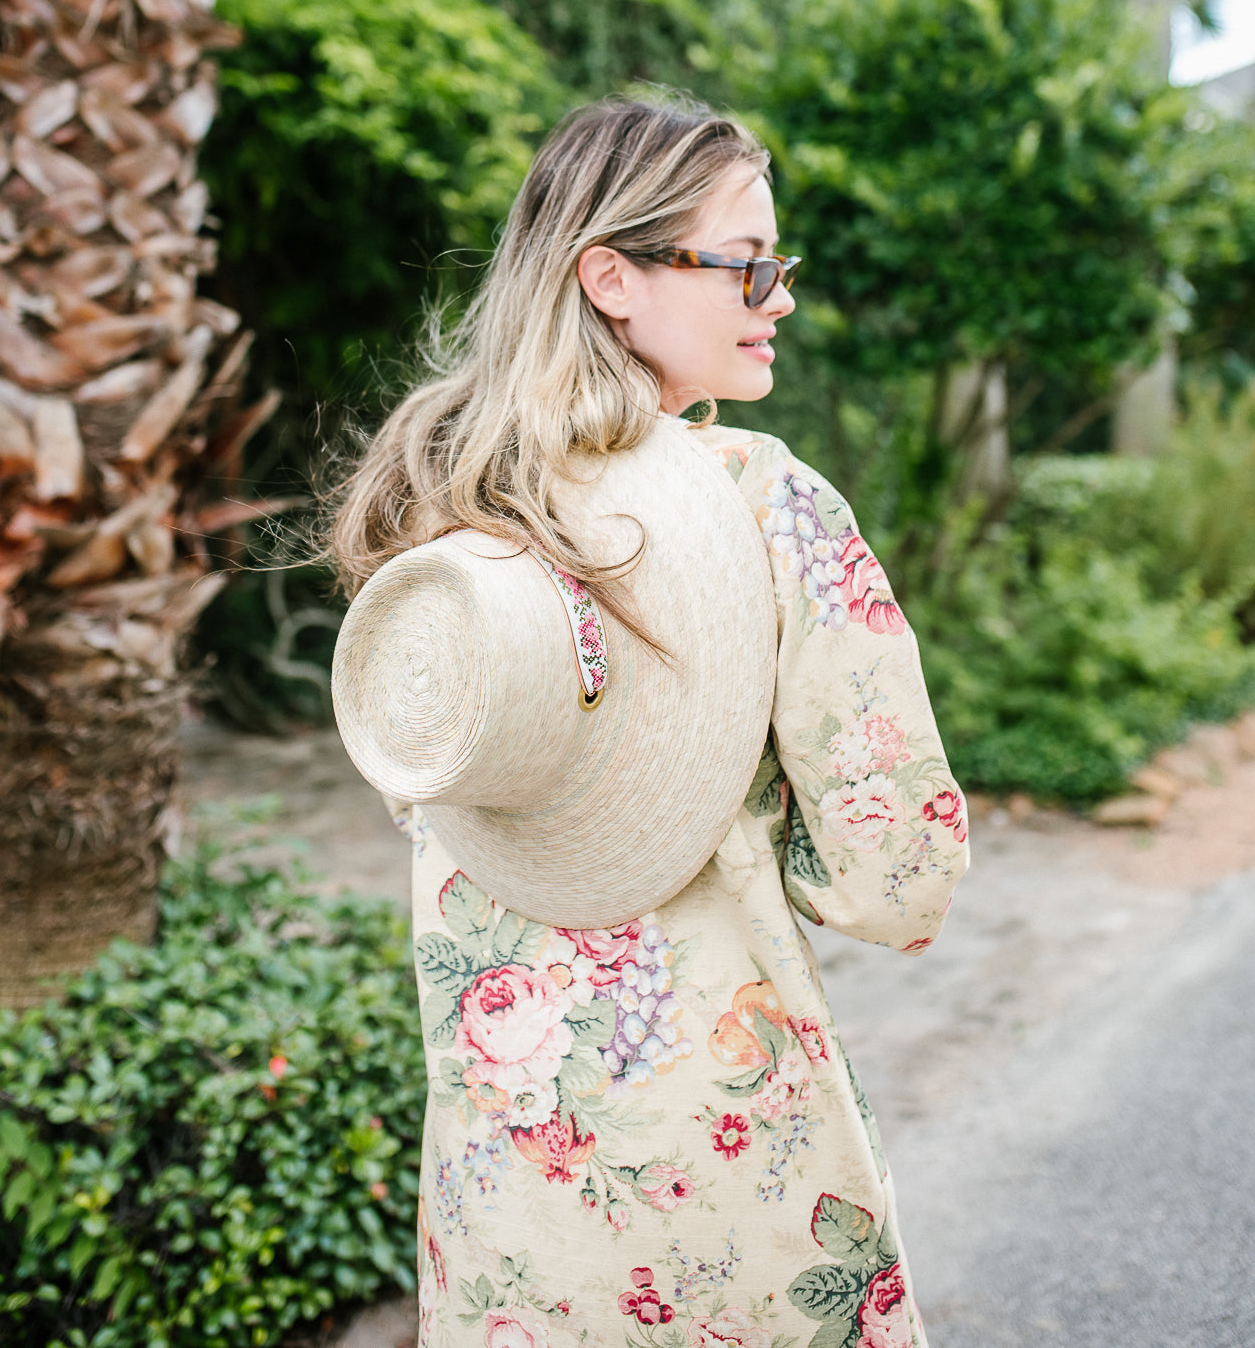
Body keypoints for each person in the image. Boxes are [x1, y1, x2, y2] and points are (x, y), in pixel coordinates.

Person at [328, 94, 969, 1348]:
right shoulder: (767, 507)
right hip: (734, 1182)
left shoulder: (439, 515)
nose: (779, 294)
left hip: (506, 1212)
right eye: (749, 264)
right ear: (610, 276)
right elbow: (898, 882)